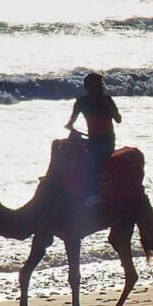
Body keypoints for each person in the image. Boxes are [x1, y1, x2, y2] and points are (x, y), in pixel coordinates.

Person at [65, 72, 122, 206]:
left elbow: (118, 119)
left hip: (106, 142)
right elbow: (70, 124)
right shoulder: (81, 102)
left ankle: (95, 194)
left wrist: (107, 105)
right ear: (90, 87)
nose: (102, 87)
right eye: (99, 84)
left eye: (101, 84)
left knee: (93, 157)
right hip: (91, 140)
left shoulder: (107, 100)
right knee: (64, 149)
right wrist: (72, 130)